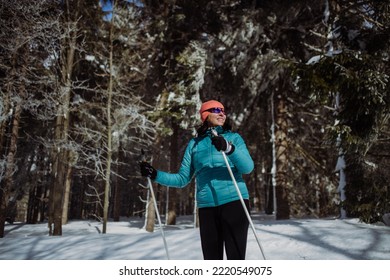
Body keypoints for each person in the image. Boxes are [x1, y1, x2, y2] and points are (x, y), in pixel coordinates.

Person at [140, 100, 254, 260]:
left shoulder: (233, 138)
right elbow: (182, 179)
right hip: (207, 208)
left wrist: (228, 148)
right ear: (205, 115)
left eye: (223, 110)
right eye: (216, 110)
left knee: (236, 260)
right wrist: (155, 174)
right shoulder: (194, 145)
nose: (222, 113)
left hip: (235, 203)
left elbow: (247, 167)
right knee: (211, 260)